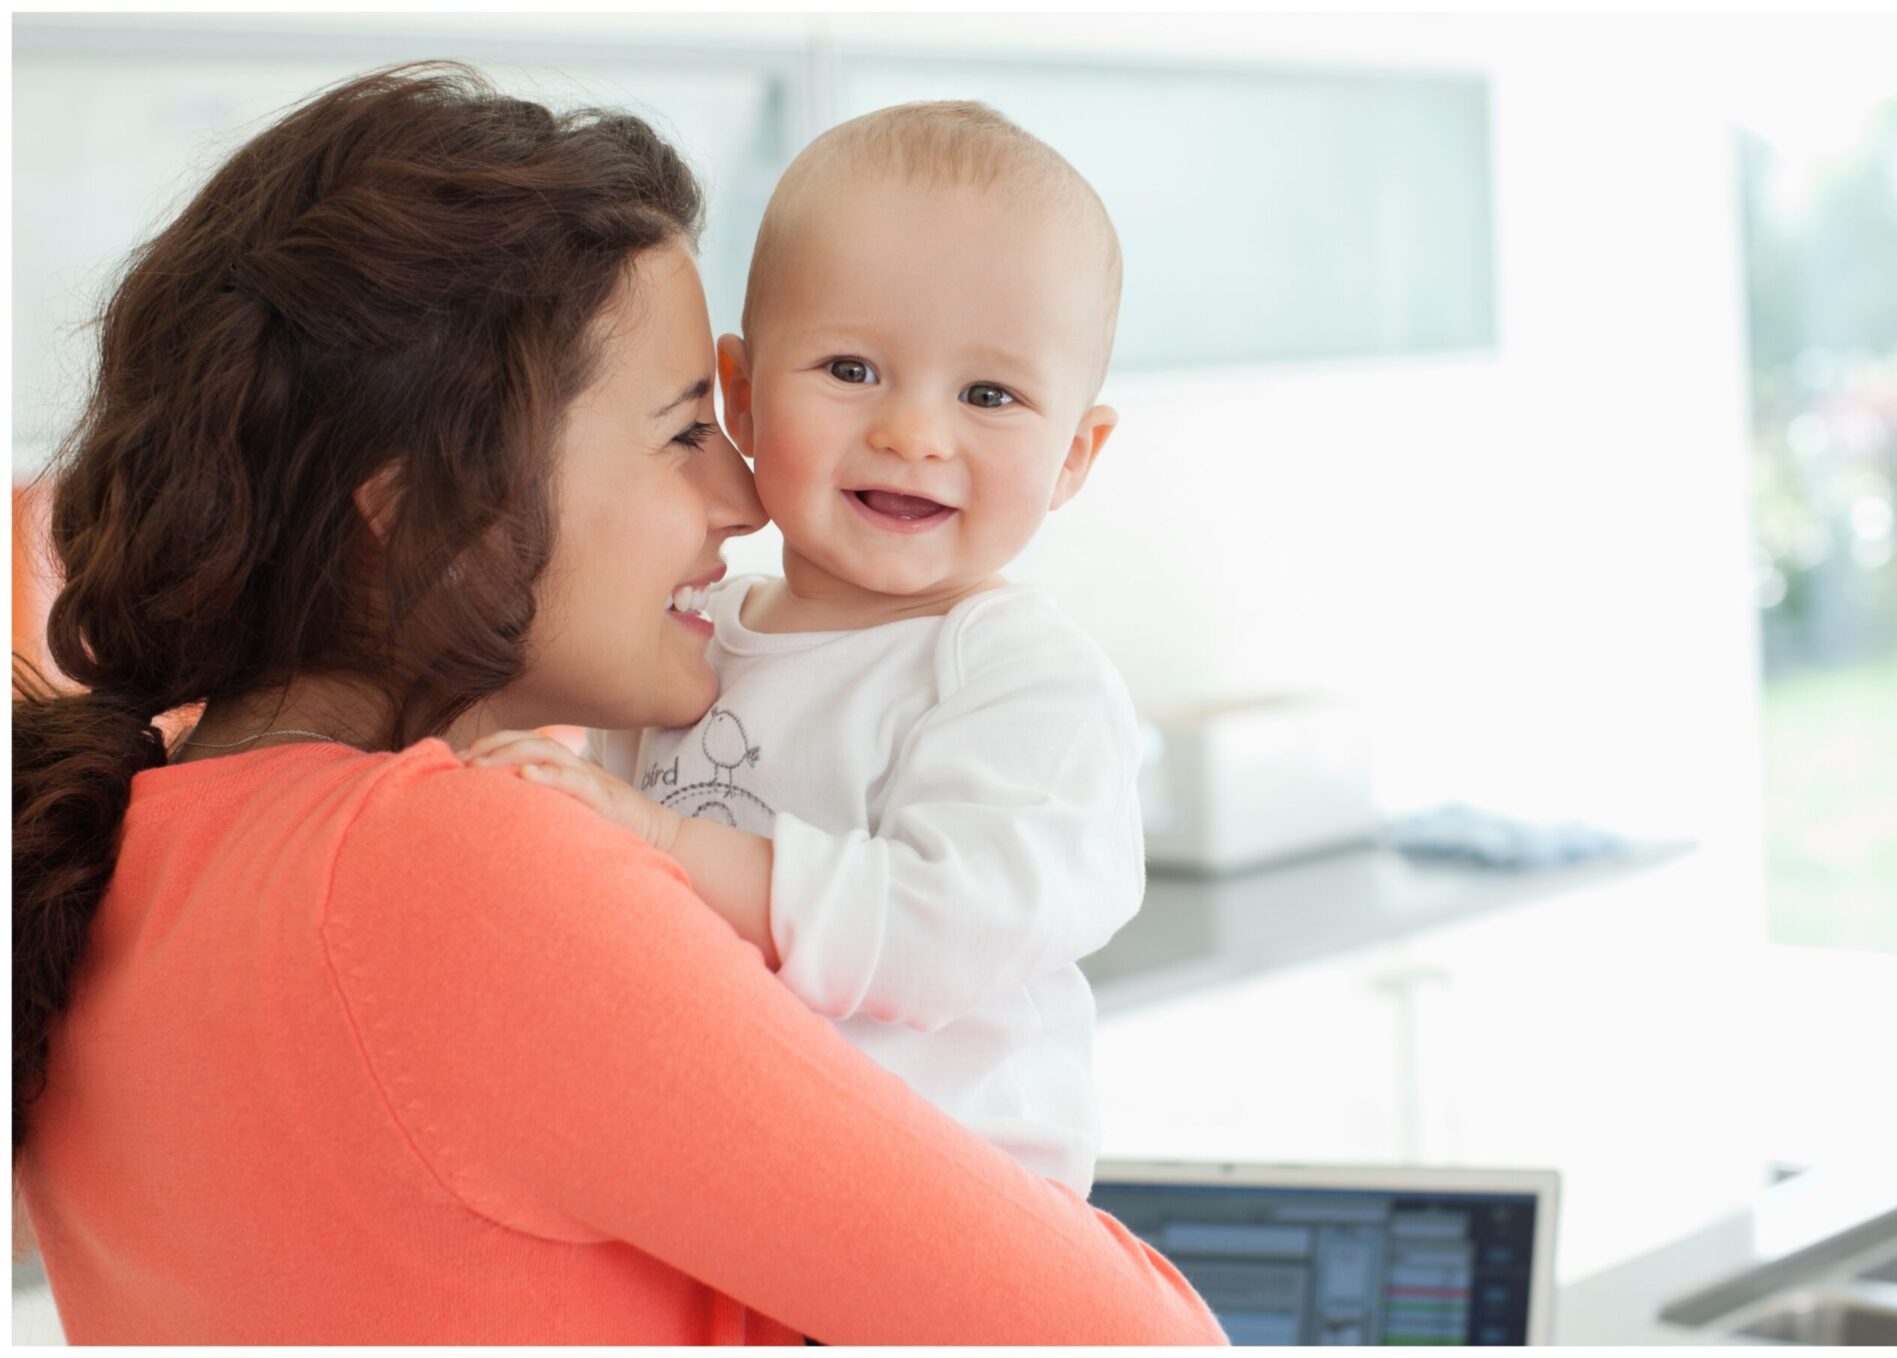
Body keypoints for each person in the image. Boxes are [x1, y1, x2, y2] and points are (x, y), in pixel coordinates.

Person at [9, 64, 1226, 1346]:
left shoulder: (121, 858)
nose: (747, 499)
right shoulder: (459, 862)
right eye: (687, 426)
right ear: (427, 500)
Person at [463, 102, 1137, 1201]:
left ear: (1075, 453)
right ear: (740, 392)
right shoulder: (690, 638)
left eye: (988, 394)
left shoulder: (1020, 677)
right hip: (734, 1193)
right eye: (851, 368)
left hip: (946, 1216)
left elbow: (941, 932)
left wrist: (651, 838)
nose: (914, 433)